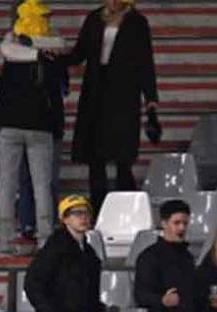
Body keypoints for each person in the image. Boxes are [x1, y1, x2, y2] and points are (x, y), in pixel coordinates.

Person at [63, 0, 158, 208]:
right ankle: (98, 207)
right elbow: (79, 53)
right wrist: (57, 58)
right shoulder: (94, 19)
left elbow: (145, 62)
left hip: (123, 95)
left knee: (122, 157)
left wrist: (151, 100)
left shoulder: (137, 22)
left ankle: (128, 207)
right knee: (95, 157)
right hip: (96, 92)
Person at [0, 1, 68, 253]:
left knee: (7, 185)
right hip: (40, 126)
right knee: (41, 185)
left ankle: (5, 242)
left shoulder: (11, 50)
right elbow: (59, 87)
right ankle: (45, 239)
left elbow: (1, 87)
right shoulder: (51, 53)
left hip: (9, 126)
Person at [23, 195, 104, 312]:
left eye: (86, 213)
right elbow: (33, 284)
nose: (83, 217)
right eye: (77, 213)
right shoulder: (54, 249)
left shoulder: (90, 253)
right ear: (65, 219)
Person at [134, 199, 198, 312]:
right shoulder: (149, 256)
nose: (182, 228)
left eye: (185, 223)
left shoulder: (188, 257)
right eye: (177, 223)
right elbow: (140, 295)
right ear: (163, 224)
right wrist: (162, 300)